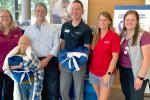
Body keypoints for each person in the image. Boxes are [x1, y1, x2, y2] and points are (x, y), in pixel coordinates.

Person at [24, 2, 60, 100]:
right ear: (34, 12)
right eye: (38, 11)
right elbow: (26, 47)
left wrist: (46, 60)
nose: (40, 13)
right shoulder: (28, 29)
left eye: (42, 11)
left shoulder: (53, 28)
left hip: (50, 61)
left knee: (52, 89)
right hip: (34, 62)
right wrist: (33, 60)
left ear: (46, 13)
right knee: (38, 89)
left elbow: (56, 46)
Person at [59, 0, 92, 100]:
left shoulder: (86, 29)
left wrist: (80, 62)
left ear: (82, 11)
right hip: (65, 63)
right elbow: (62, 44)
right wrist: (61, 61)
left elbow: (87, 48)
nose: (75, 11)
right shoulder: (65, 26)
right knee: (63, 90)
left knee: (79, 91)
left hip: (79, 65)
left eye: (77, 9)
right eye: (73, 9)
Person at [118, 10, 150, 100]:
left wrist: (140, 78)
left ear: (137, 21)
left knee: (136, 97)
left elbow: (147, 58)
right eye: (127, 20)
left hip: (137, 72)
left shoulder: (144, 35)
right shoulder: (122, 35)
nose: (129, 22)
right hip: (124, 71)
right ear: (124, 22)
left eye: (132, 20)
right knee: (127, 95)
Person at [89, 11, 120, 100]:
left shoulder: (114, 36)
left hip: (106, 74)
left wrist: (108, 74)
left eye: (105, 20)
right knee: (99, 97)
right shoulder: (95, 36)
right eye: (100, 20)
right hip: (93, 72)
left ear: (109, 22)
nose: (102, 22)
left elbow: (115, 58)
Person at [3, 35, 44, 100]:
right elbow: (8, 67)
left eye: (25, 43)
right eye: (21, 43)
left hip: (32, 82)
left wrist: (25, 66)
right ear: (18, 43)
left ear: (29, 44)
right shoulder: (13, 55)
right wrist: (18, 66)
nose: (23, 45)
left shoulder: (31, 54)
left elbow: (37, 65)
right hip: (21, 83)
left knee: (33, 98)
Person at [0, 9, 23, 100]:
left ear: (11, 18)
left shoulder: (18, 31)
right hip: (0, 66)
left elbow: (23, 46)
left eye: (7, 16)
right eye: (2, 16)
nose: (4, 18)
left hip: (13, 67)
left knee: (9, 92)